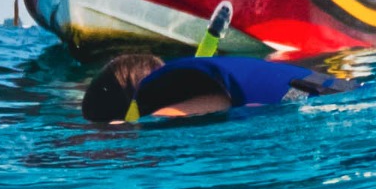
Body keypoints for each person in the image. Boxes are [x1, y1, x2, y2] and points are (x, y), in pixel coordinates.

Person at [80, 49, 352, 124]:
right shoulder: (191, 80)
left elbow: (160, 120)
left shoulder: (170, 106)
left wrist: (130, 130)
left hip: (333, 112)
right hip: (341, 95)